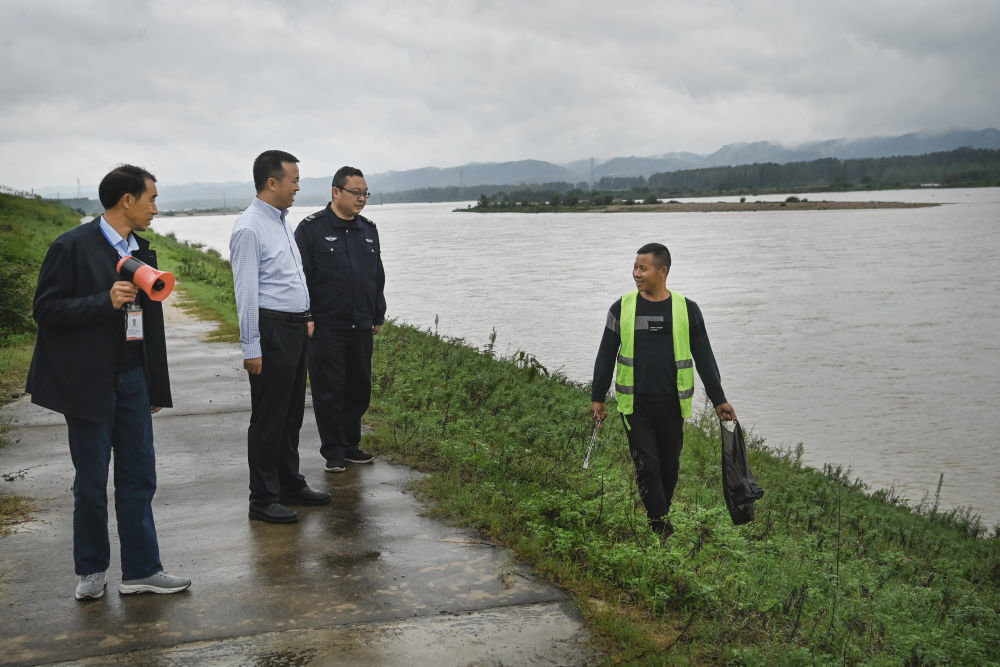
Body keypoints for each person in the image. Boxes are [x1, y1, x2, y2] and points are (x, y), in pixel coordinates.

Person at [26, 164, 191, 600]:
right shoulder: (71, 246)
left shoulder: (143, 251)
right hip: (87, 381)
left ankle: (141, 570)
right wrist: (104, 301)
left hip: (132, 377)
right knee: (92, 479)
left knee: (139, 476)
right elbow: (45, 309)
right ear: (127, 200)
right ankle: (92, 570)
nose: (156, 207)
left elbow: (149, 326)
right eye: (152, 198)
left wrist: (154, 385)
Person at [591, 243, 737, 538]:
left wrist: (719, 399)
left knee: (669, 466)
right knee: (647, 464)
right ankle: (661, 528)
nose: (635, 274)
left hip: (673, 404)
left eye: (642, 268)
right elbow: (605, 354)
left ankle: (659, 516)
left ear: (663, 271)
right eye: (634, 267)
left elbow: (704, 357)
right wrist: (598, 397)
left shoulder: (688, 310)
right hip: (635, 404)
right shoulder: (621, 307)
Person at [230, 150, 331, 523]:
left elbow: (288, 277)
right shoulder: (249, 227)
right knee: (269, 418)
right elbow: (247, 293)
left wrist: (305, 317)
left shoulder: (281, 222)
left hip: (293, 328)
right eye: (294, 180)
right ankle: (263, 498)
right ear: (272, 182)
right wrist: (251, 346)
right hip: (270, 331)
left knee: (290, 416)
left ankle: (290, 483)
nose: (298, 187)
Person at [294, 166, 385, 473]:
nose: (362, 199)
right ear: (336, 192)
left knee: (359, 386)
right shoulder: (311, 229)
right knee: (329, 389)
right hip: (326, 325)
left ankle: (350, 445)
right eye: (356, 193)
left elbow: (377, 276)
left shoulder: (368, 229)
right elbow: (300, 278)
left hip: (361, 324)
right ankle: (333, 450)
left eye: (365, 193)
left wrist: (378, 313)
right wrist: (305, 316)